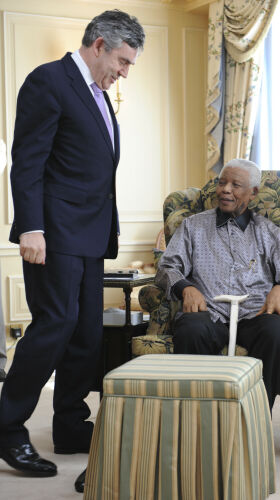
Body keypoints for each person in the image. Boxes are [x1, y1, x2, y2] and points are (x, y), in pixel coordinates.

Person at [0, 9, 145, 479]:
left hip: (89, 235)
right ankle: (7, 429)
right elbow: (27, 163)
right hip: (55, 233)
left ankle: (69, 424)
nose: (124, 72)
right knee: (54, 325)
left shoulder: (99, 94)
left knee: (85, 333)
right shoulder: (49, 81)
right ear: (99, 44)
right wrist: (31, 227)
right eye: (122, 61)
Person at [156, 158, 280, 411]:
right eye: (222, 183)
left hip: (256, 312)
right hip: (208, 312)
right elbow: (167, 266)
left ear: (252, 193)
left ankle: (256, 417)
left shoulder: (267, 231)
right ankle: (198, 417)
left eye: (235, 185)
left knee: (276, 332)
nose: (225, 190)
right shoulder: (193, 226)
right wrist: (185, 288)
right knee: (191, 330)